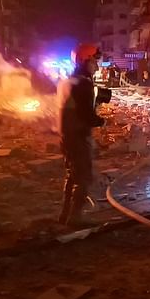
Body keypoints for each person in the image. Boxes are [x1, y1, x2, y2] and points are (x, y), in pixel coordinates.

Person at [57, 43, 105, 225]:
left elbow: (75, 108)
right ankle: (75, 218)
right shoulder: (83, 84)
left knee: (72, 175)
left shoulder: (68, 81)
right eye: (95, 61)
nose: (97, 66)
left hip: (67, 136)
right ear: (86, 61)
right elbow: (86, 115)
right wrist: (100, 120)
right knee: (84, 177)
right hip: (78, 136)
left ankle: (65, 214)